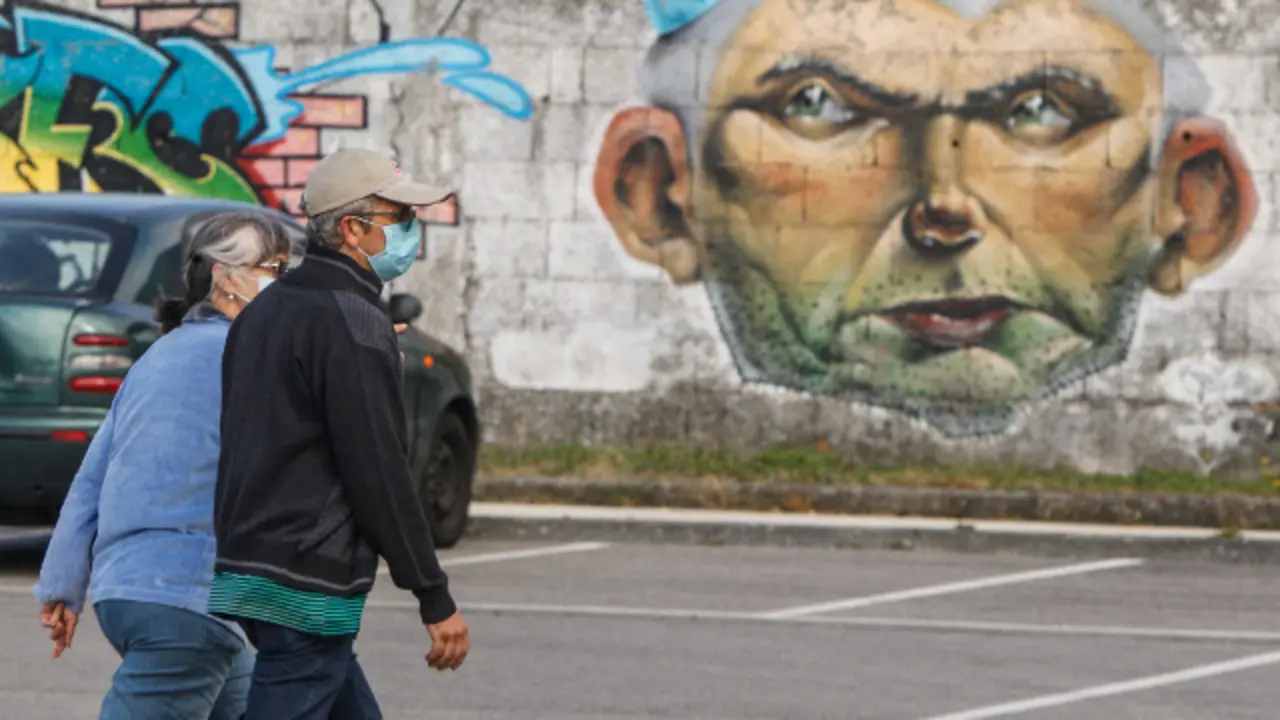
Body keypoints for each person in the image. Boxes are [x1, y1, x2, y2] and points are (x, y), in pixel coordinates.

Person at [210, 148, 470, 719]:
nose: (411, 231)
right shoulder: (354, 321)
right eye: (399, 218)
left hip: (251, 565)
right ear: (352, 229)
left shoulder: (264, 311)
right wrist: (432, 593)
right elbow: (377, 468)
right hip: (305, 577)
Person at [33, 212, 292, 719]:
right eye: (275, 268)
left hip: (128, 594)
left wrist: (63, 586)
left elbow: (93, 476)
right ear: (226, 277)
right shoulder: (246, 355)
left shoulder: (157, 355)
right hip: (187, 600)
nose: (284, 284)